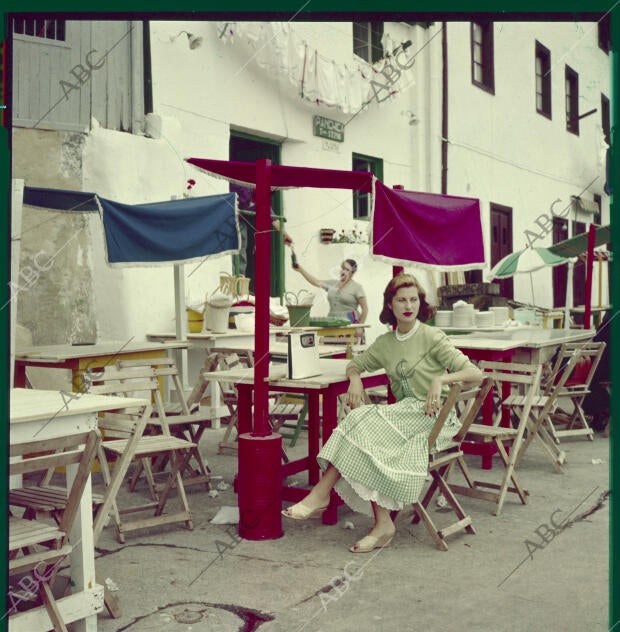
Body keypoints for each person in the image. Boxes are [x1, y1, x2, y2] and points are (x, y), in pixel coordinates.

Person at [282, 272, 482, 553]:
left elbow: (475, 373)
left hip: (433, 419)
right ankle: (379, 522)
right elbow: (355, 364)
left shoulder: (431, 336)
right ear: (390, 305)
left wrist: (441, 380)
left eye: (413, 299)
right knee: (363, 427)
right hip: (404, 416)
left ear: (420, 303)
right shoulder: (385, 343)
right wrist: (354, 378)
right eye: (401, 300)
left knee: (363, 422)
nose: (408, 305)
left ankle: (321, 495)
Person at [230, 183, 292, 276]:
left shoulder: (258, 195)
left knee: (243, 246)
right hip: (233, 216)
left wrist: (284, 233)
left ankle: (240, 279)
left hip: (242, 219)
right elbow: (241, 201)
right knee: (240, 246)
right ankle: (238, 280)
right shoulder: (243, 185)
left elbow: (269, 213)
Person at [293, 258, 368, 326]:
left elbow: (365, 309)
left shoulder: (357, 287)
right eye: (343, 269)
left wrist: (360, 327)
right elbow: (316, 282)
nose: (343, 272)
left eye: (347, 270)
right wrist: (300, 270)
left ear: (352, 273)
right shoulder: (333, 284)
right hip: (332, 322)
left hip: (350, 324)